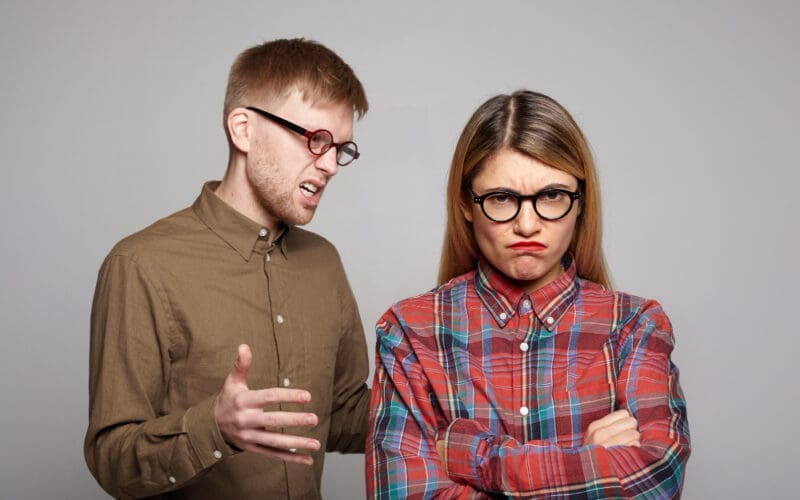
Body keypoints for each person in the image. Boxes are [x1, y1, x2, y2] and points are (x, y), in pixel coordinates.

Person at [366, 90, 690, 498]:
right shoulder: (410, 332)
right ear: (467, 203)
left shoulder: (634, 326)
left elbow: (656, 483)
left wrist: (478, 457)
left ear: (580, 202)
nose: (527, 224)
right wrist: (584, 463)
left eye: (551, 196)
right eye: (502, 198)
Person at [85, 38, 371, 499]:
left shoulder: (324, 262)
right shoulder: (140, 265)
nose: (331, 165)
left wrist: (443, 398)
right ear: (243, 130)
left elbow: (338, 417)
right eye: (316, 140)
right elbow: (112, 459)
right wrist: (213, 429)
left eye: (341, 148)